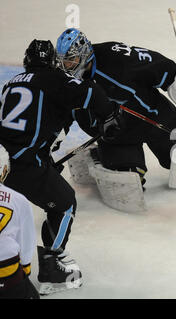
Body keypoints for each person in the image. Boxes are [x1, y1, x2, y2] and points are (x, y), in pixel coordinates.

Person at [0, 39, 120, 295]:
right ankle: (51, 267)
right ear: (52, 62)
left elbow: (29, 121)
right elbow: (91, 92)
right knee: (65, 204)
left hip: (3, 162)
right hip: (25, 164)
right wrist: (109, 115)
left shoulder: (10, 84)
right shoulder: (54, 80)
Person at [55, 28, 176, 188]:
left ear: (84, 54)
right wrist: (47, 147)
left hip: (154, 117)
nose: (67, 67)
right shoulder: (66, 82)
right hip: (115, 134)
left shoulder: (115, 58)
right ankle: (95, 156)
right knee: (129, 177)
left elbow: (157, 64)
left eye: (71, 60)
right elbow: (59, 113)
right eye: (63, 62)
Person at [0, 145, 39, 299]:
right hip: (8, 275)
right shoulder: (18, 200)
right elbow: (26, 241)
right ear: (4, 170)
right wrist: (26, 270)